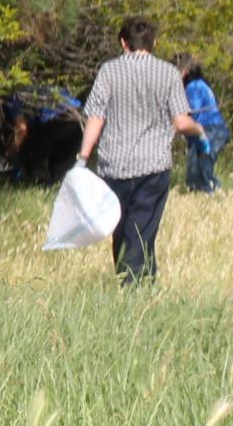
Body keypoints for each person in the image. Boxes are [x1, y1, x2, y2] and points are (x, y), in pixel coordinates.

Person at [76, 17, 185, 286]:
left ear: (123, 42)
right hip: (153, 166)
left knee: (121, 227)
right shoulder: (168, 73)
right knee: (142, 229)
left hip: (115, 166)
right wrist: (197, 131)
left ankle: (132, 281)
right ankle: (135, 286)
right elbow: (181, 121)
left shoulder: (109, 72)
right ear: (154, 42)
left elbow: (96, 117)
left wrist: (83, 157)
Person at [178, 62, 227, 194]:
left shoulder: (194, 87)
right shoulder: (199, 85)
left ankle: (211, 195)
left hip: (210, 129)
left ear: (186, 72)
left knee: (199, 171)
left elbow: (192, 110)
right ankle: (213, 194)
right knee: (198, 170)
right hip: (213, 130)